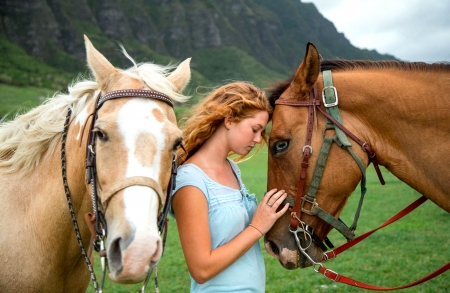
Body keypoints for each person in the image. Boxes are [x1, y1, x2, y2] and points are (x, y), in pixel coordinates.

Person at [170, 81, 289, 292]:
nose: (257, 139)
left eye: (261, 132)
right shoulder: (190, 181)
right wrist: (257, 227)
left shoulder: (232, 168)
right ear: (229, 120)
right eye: (255, 129)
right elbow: (201, 269)